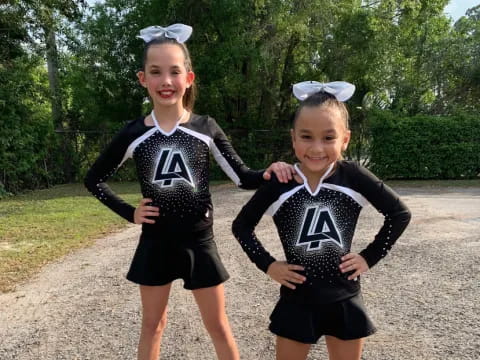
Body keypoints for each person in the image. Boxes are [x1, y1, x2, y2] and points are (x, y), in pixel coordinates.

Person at [84, 24, 293, 360]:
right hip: (155, 242)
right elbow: (94, 179)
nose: (166, 81)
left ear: (189, 78)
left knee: (219, 325)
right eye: (156, 72)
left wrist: (270, 172)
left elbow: (242, 178)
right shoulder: (134, 133)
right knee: (153, 325)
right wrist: (130, 212)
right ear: (143, 79)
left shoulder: (205, 128)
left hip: (199, 240)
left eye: (174, 72)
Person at [232, 81, 411, 360]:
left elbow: (399, 214)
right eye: (306, 137)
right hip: (297, 299)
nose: (316, 148)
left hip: (344, 297)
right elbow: (241, 226)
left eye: (328, 138)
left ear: (345, 139)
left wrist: (369, 257)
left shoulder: (353, 176)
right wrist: (268, 265)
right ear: (293, 138)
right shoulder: (282, 182)